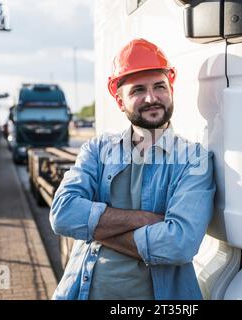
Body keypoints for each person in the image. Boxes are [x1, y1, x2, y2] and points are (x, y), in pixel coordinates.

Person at [49, 38, 215, 300]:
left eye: (159, 86)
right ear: (120, 101)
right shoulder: (98, 149)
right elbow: (62, 214)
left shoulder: (193, 159)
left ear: (170, 89)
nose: (151, 98)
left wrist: (96, 231)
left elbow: (179, 244)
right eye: (138, 90)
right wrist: (142, 219)